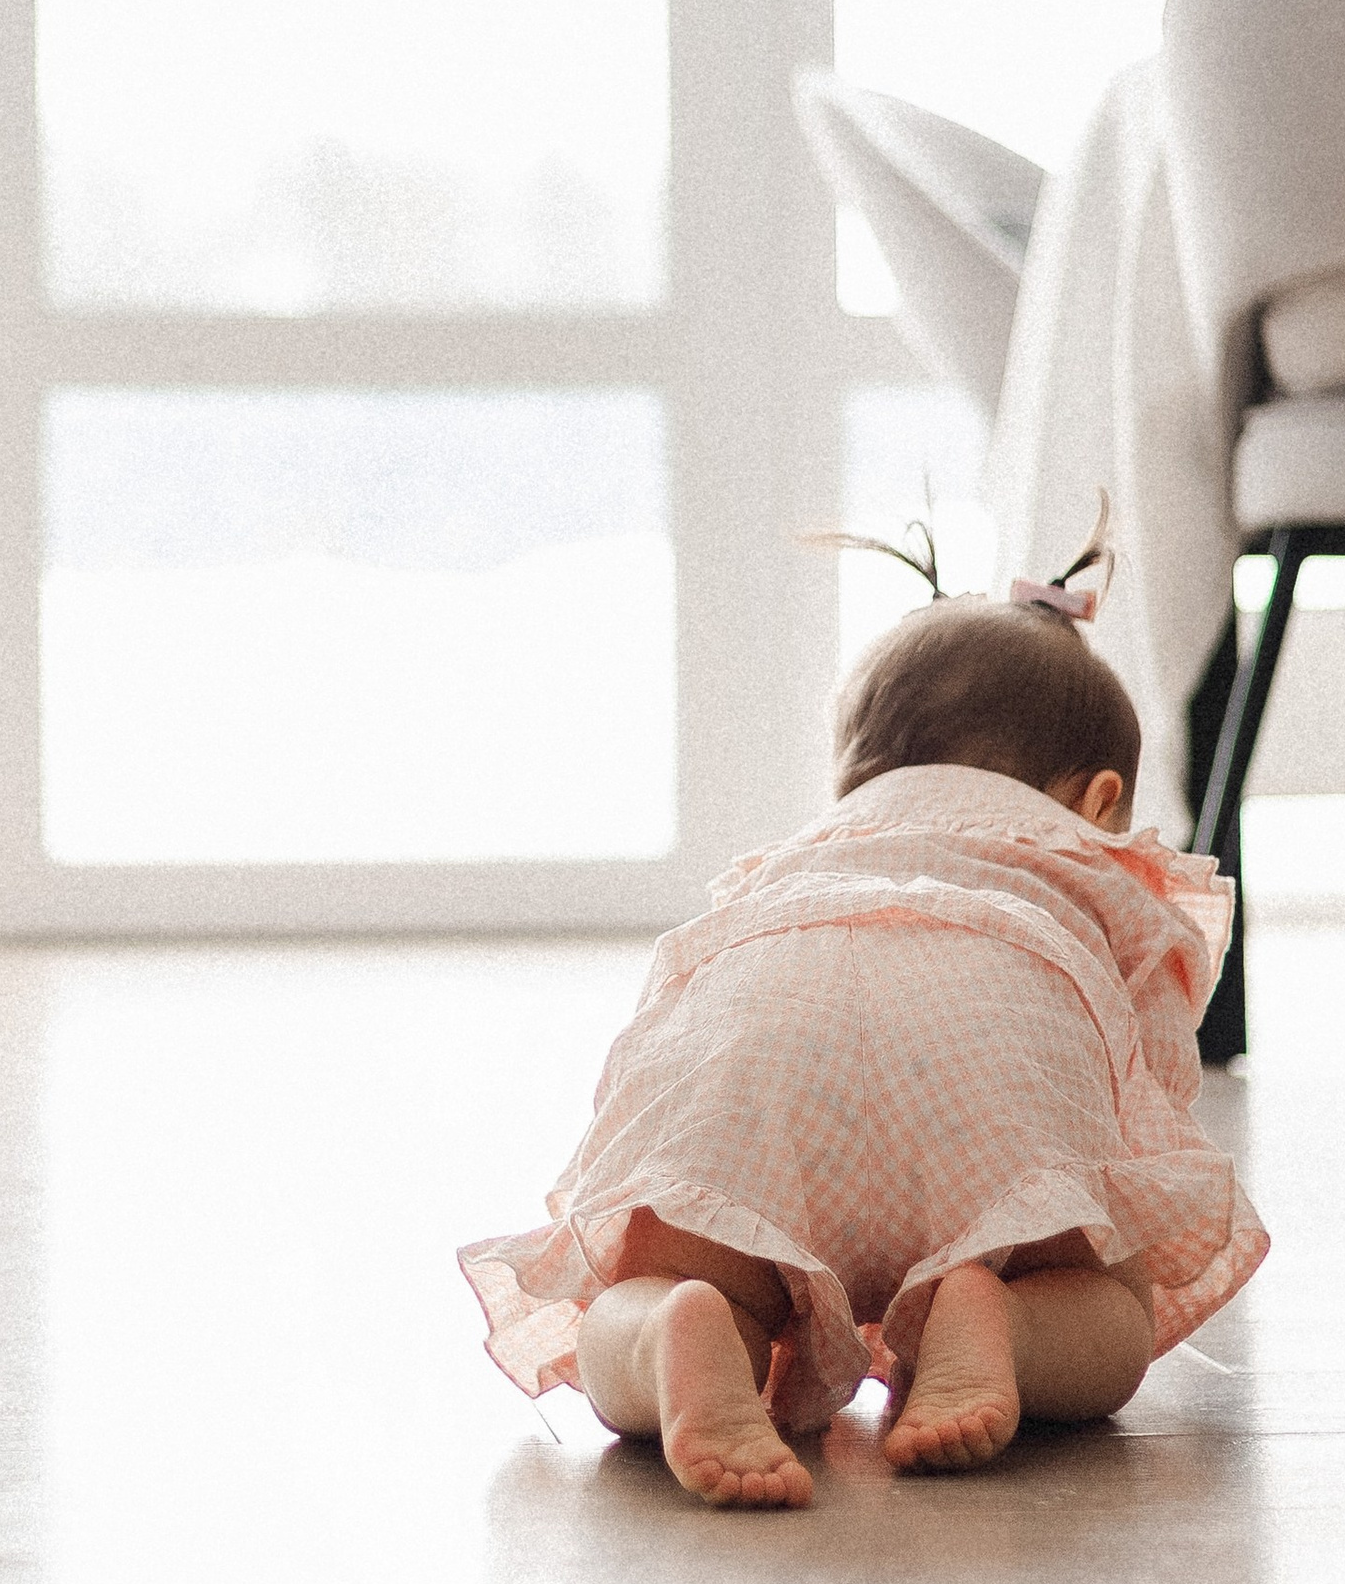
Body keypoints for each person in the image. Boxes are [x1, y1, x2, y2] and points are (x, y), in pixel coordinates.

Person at [459, 517, 1269, 1507]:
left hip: (750, 1073)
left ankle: (678, 1323)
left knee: (639, 1296)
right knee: (1107, 1307)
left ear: (855, 775)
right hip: (992, 1066)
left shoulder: (799, 857)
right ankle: (1001, 1325)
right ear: (1099, 800)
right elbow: (1143, 1077)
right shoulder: (1095, 863)